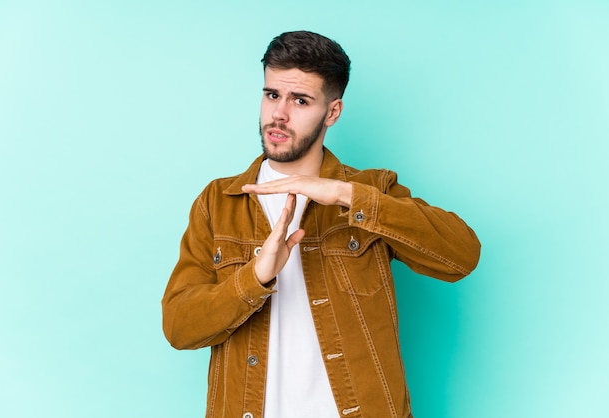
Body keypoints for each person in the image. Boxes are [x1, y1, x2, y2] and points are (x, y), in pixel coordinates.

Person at [162, 30, 481, 418]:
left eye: (300, 100)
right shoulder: (218, 202)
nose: (279, 114)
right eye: (272, 95)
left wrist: (348, 195)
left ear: (332, 112)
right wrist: (256, 276)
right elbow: (179, 326)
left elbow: (460, 256)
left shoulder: (370, 189)